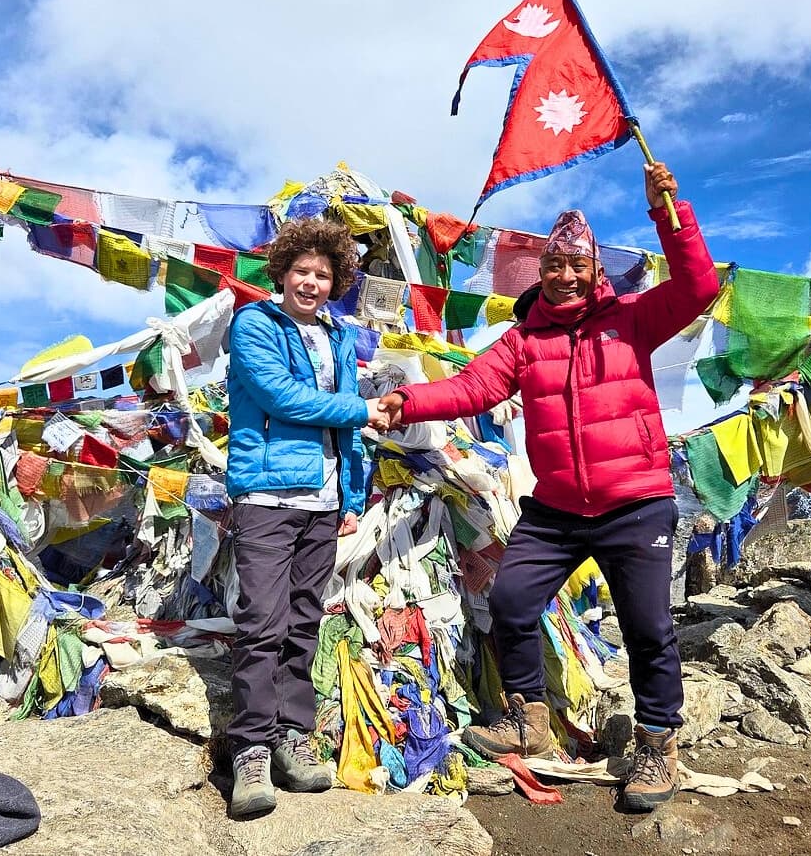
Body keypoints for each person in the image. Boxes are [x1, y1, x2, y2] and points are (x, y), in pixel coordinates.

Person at [376, 163, 718, 812]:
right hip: (557, 508)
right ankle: (526, 718)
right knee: (510, 600)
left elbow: (699, 286)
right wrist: (408, 403)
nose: (565, 275)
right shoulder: (523, 341)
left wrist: (668, 214)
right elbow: (472, 387)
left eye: (577, 265)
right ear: (541, 272)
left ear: (595, 270)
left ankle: (657, 745)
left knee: (648, 627)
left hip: (636, 503)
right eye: (554, 265)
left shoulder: (633, 320)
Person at [223, 217, 390, 818]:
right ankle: (249, 751)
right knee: (261, 623)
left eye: (323, 274)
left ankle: (292, 737)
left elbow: (345, 430)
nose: (311, 283)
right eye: (302, 271)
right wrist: (363, 409)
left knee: (302, 623)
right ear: (283, 272)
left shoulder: (338, 336)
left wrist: (351, 497)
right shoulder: (255, 324)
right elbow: (279, 396)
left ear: (336, 281)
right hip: (267, 497)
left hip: (322, 502)